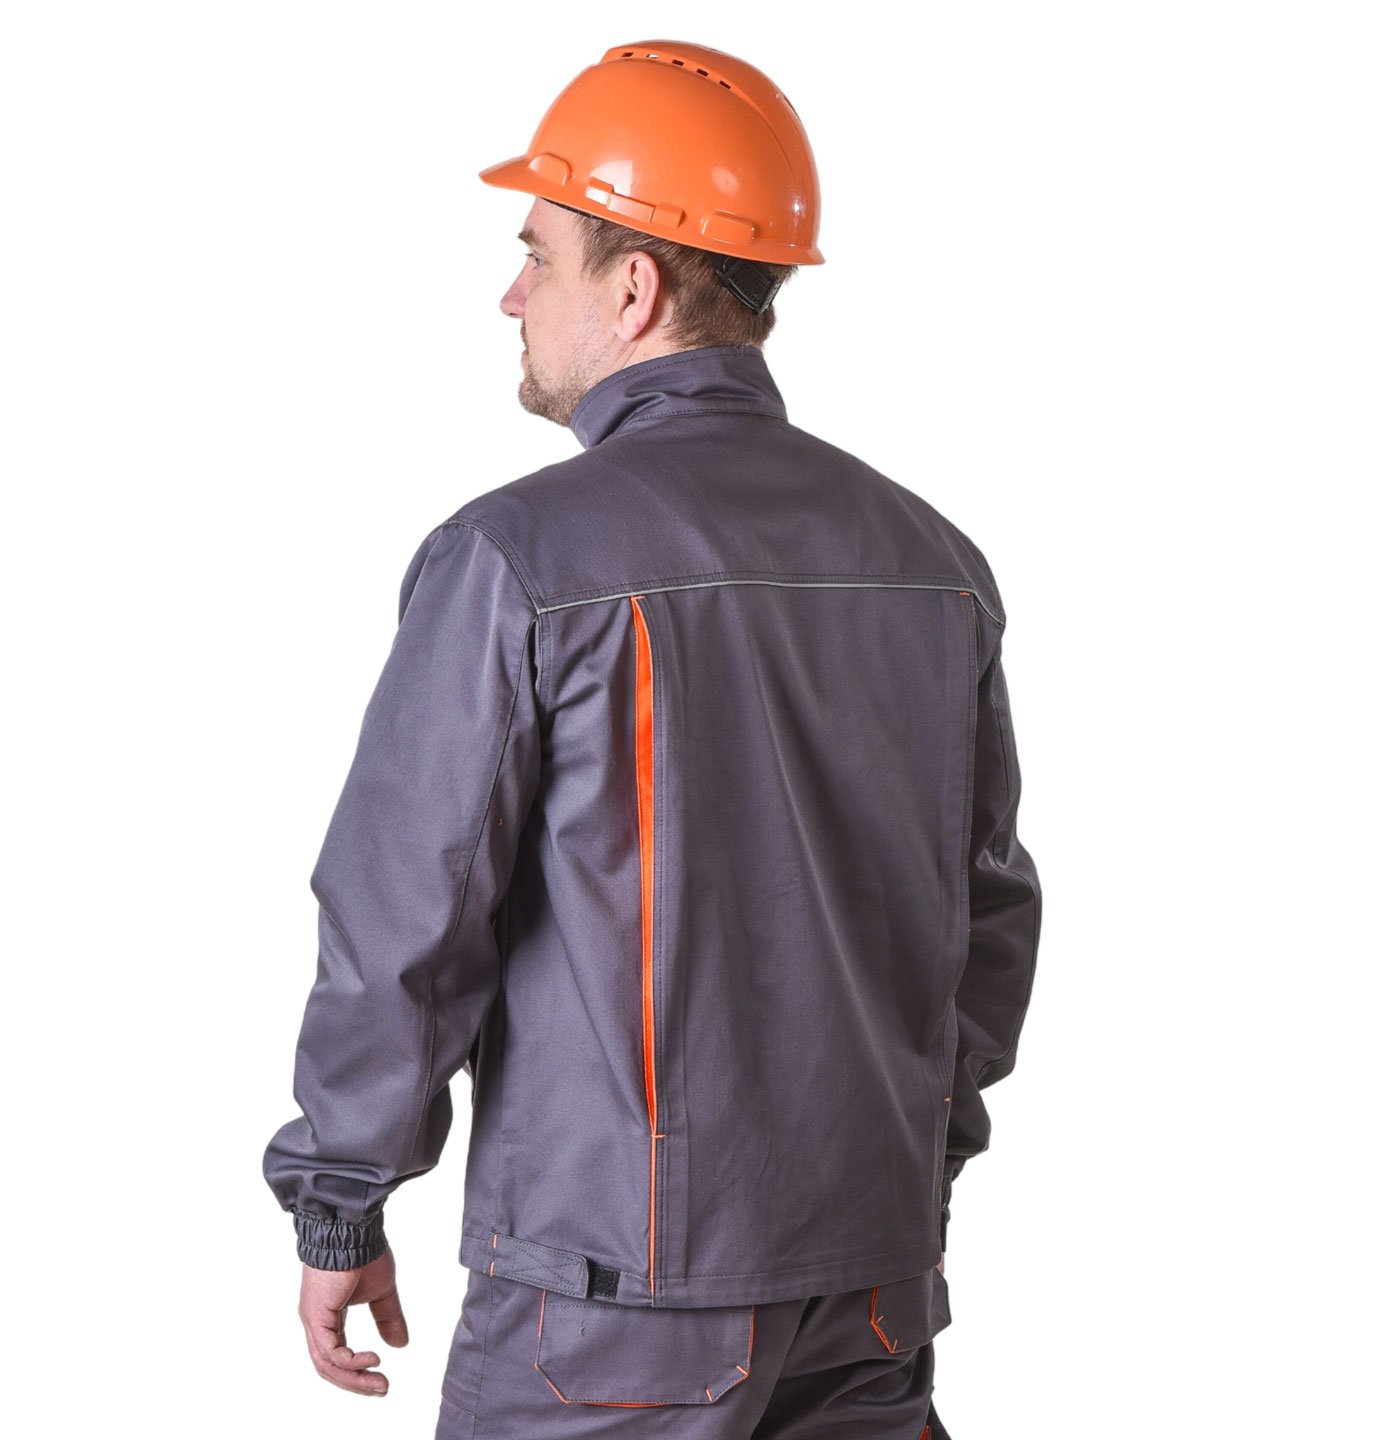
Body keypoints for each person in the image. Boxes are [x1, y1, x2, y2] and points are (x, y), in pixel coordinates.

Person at [261, 38, 1041, 1440]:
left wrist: (340, 1203)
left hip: (607, 1312)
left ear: (634, 289)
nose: (511, 294)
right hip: (870, 1288)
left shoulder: (518, 559)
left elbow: (407, 918)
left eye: (537, 254)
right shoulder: (935, 564)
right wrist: (914, 1173)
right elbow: (984, 926)